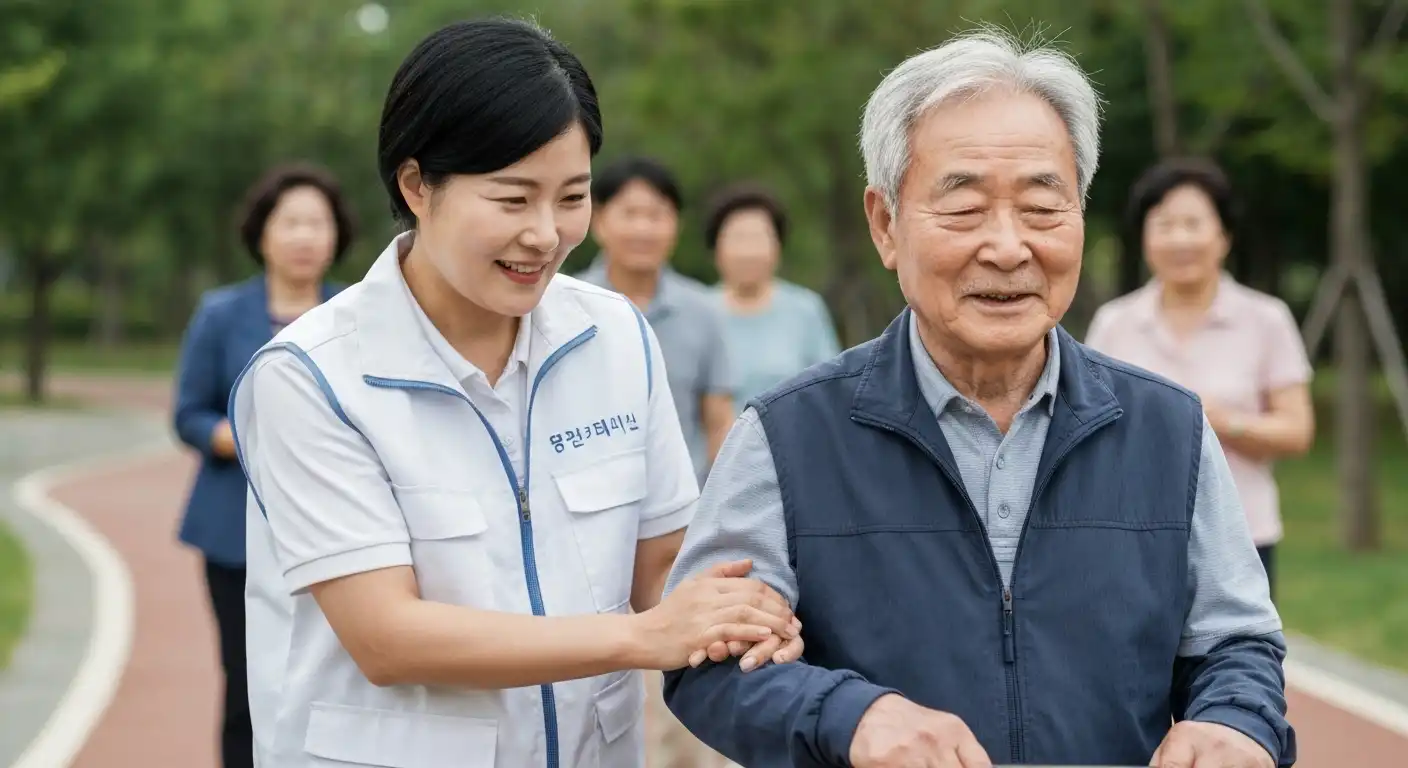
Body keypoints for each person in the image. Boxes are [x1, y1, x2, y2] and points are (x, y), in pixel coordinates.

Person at [661, 29, 1294, 768]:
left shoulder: (1169, 429)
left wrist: (1235, 723)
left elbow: (1237, 640)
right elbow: (705, 661)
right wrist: (851, 718)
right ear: (885, 224)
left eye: (1041, 207)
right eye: (963, 209)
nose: (1007, 247)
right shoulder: (789, 436)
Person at [228, 19, 800, 768]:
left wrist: (744, 612)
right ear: (415, 186)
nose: (546, 233)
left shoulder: (616, 338)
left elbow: (663, 564)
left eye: (571, 197)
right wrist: (640, 638)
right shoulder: (312, 377)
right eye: (512, 198)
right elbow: (387, 638)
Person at [171, 162, 353, 768]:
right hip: (232, 535)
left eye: (317, 224)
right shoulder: (221, 314)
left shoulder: (355, 315)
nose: (305, 237)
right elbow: (188, 413)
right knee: (247, 681)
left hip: (335, 533)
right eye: (291, 222)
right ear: (263, 233)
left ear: (336, 235)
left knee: (331, 685)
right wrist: (235, 437)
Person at [1085, 159, 1315, 598]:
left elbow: (1297, 431)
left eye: (1193, 224)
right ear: (1145, 238)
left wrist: (1217, 419)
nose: (1180, 239)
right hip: (1135, 530)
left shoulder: (1266, 319)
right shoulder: (1115, 323)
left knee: (1239, 661)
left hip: (1242, 533)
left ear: (1223, 237)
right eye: (1165, 225)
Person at [576, 157, 734, 484]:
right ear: (599, 221)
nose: (643, 229)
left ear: (676, 225)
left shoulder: (703, 311)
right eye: (630, 214)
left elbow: (719, 421)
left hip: (685, 503)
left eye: (656, 215)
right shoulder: (566, 303)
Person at [706, 183, 842, 407]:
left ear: (778, 246)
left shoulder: (805, 310)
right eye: (738, 238)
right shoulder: (698, 312)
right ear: (716, 248)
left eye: (759, 238)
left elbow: (830, 389)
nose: (748, 252)